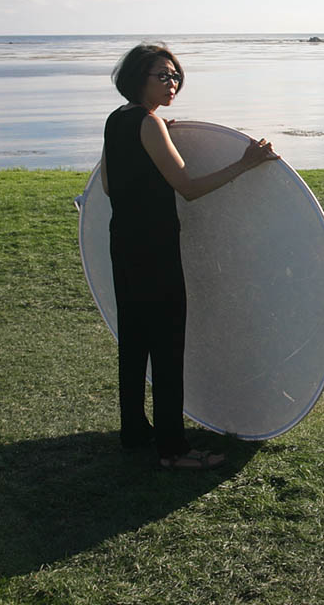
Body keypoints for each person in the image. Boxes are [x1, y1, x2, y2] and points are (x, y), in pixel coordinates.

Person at [100, 43, 278, 469]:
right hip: (155, 250)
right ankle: (173, 449)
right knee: (165, 345)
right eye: (162, 75)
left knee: (135, 341)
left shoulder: (118, 120)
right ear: (139, 78)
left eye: (175, 75)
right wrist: (244, 163)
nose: (172, 82)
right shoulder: (148, 124)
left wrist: (155, 134)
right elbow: (189, 187)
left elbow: (107, 184)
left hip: (123, 244)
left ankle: (134, 432)